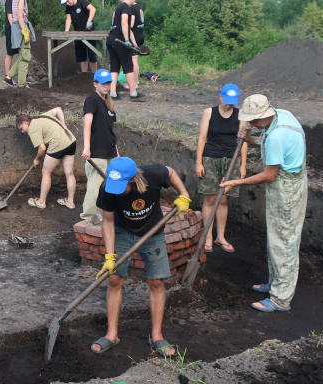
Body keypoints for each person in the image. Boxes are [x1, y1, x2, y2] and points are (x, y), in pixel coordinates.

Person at [91, 157, 191, 357]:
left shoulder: (152, 174)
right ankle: (112, 334)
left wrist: (184, 194)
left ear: (134, 179)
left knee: (156, 281)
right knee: (115, 279)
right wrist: (110, 256)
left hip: (152, 233)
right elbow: (108, 221)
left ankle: (157, 336)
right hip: (123, 232)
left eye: (123, 186)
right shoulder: (107, 188)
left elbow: (170, 171)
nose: (117, 190)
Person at [220, 94, 307, 313]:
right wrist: (249, 139)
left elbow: (269, 175)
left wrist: (237, 182)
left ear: (263, 116)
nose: (250, 124)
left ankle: (281, 298)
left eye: (253, 121)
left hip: (286, 189)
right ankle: (277, 283)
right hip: (288, 182)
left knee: (284, 241)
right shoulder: (282, 115)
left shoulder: (277, 136)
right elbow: (266, 140)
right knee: (276, 237)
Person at [195, 83, 248, 252]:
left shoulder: (241, 116)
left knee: (224, 199)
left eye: (232, 101)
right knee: (210, 199)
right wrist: (199, 162)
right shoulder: (209, 113)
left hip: (231, 161)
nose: (229, 104)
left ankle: (221, 237)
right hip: (211, 158)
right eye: (226, 100)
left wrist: (243, 165)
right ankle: (208, 236)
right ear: (220, 96)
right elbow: (202, 138)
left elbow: (243, 142)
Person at [15, 107, 77, 209]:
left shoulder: (32, 129)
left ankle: (41, 202)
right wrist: (63, 124)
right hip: (70, 141)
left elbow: (42, 148)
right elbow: (58, 109)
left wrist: (37, 159)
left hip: (58, 144)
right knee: (69, 173)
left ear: (26, 123)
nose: (22, 131)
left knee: (46, 172)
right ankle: (70, 202)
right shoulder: (43, 116)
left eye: (21, 128)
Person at [80, 69, 119, 222]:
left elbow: (110, 130)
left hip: (110, 152)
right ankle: (88, 218)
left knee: (112, 185)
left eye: (108, 83)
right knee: (95, 187)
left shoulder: (108, 102)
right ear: (95, 84)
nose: (106, 86)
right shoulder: (92, 100)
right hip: (97, 153)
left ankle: (110, 212)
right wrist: (87, 147)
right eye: (103, 84)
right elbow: (87, 124)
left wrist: (116, 150)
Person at [107, 0, 144, 102]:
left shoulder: (119, 7)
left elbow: (129, 29)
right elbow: (124, 23)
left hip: (112, 40)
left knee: (115, 66)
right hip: (120, 42)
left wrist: (135, 44)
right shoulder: (126, 7)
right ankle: (133, 93)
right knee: (128, 66)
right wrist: (127, 41)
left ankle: (112, 93)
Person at [6, 0, 38, 88]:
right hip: (20, 27)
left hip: (19, 26)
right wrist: (25, 31)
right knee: (26, 56)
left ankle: (9, 77)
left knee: (23, 55)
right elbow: (20, 15)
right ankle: (22, 84)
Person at [61, 0, 98, 74]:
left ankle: (95, 76)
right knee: (81, 57)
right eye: (65, 2)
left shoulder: (81, 1)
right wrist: (66, 31)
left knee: (92, 56)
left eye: (67, 1)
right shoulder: (68, 7)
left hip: (89, 32)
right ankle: (84, 75)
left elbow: (92, 9)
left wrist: (89, 21)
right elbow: (69, 19)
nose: (67, 3)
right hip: (77, 33)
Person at [3, 0, 23, 85]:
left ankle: (22, 74)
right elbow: (9, 15)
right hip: (11, 29)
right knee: (10, 53)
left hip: (19, 28)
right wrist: (14, 28)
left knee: (21, 52)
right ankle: (8, 76)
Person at [129, 0, 145, 91]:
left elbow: (131, 24)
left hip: (134, 36)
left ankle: (134, 84)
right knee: (135, 59)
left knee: (133, 60)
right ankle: (135, 82)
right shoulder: (138, 7)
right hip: (140, 35)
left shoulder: (132, 9)